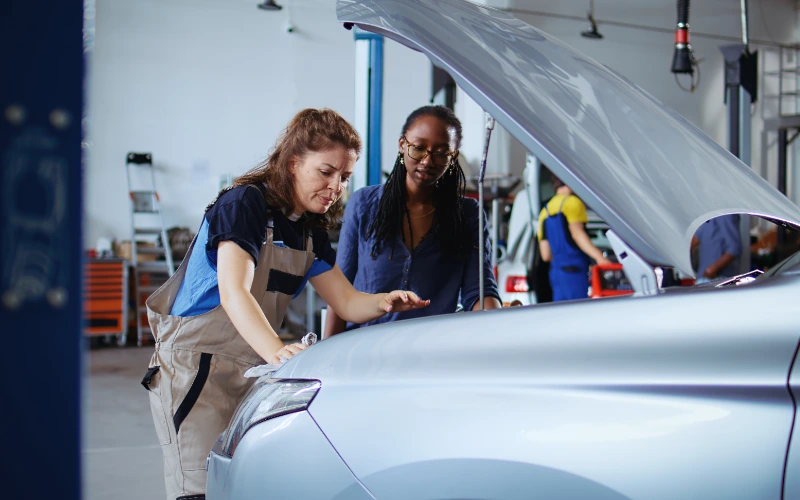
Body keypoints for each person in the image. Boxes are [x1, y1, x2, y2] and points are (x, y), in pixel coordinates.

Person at [142, 108, 429, 500]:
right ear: (293, 163)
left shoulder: (310, 232)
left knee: (244, 486)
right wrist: (278, 350)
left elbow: (346, 302)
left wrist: (384, 302)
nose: (336, 187)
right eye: (326, 172)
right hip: (195, 367)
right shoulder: (244, 205)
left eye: (344, 177)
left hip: (252, 369)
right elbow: (234, 292)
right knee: (200, 489)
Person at [324, 105, 501, 336]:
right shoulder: (364, 204)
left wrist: (496, 330)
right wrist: (326, 362)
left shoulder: (467, 213)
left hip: (431, 353)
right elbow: (340, 291)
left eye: (441, 153)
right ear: (402, 145)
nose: (428, 161)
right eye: (418, 149)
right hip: (363, 352)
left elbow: (479, 290)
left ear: (453, 156)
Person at [537, 173, 610, 301]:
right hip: (575, 271)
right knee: (579, 314)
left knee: (562, 315)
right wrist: (599, 258)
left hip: (556, 274)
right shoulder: (572, 203)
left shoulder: (544, 211)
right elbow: (577, 234)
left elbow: (546, 255)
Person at [691, 214, 742, 283]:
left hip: (718, 279)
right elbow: (695, 239)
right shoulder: (708, 214)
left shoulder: (725, 213)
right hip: (703, 278)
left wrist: (712, 269)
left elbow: (735, 248)